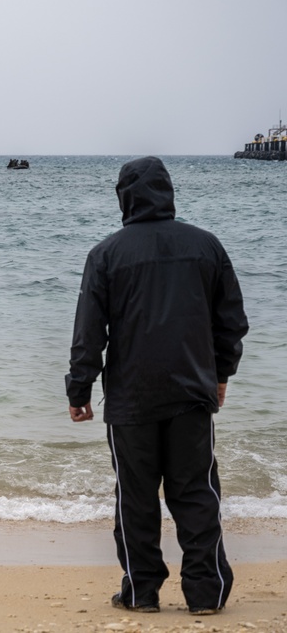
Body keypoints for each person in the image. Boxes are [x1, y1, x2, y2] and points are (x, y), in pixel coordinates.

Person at [65, 156, 249, 616]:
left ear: (123, 196)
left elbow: (89, 332)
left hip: (131, 397)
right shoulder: (206, 245)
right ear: (168, 191)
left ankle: (141, 592)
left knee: (136, 496)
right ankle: (205, 595)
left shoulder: (106, 253)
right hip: (192, 393)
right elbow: (231, 323)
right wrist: (221, 376)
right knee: (196, 494)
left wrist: (79, 389)